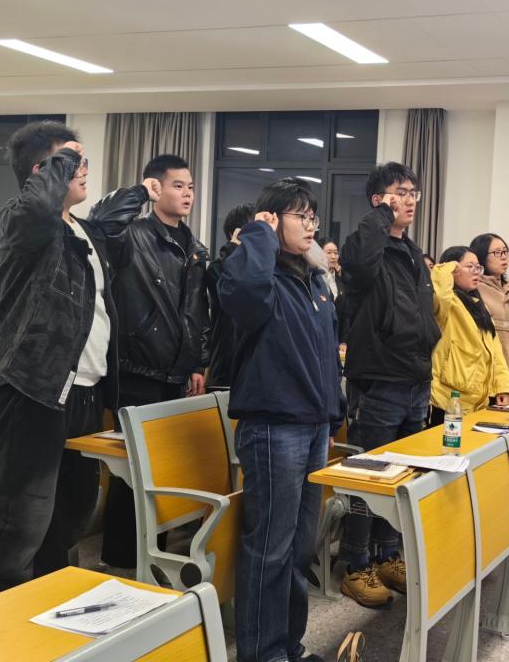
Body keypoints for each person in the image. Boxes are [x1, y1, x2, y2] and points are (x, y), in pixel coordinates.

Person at [0, 121, 148, 596]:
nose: (84, 169)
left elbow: (112, 220)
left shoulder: (81, 229)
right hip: (34, 387)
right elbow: (37, 206)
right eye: (73, 161)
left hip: (84, 389)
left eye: (83, 160)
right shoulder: (22, 220)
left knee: (70, 514)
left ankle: (44, 608)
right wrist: (62, 160)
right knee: (20, 521)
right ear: (43, 170)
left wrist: (141, 191)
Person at [219, 178, 344, 662]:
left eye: (313, 216)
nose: (311, 225)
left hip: (312, 425)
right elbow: (245, 300)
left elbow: (326, 355)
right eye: (300, 216)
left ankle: (289, 646)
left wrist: (332, 414)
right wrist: (257, 235)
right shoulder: (255, 271)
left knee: (299, 548)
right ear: (272, 220)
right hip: (274, 427)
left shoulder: (312, 278)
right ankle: (262, 654)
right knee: (270, 548)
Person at [91, 154, 211, 569]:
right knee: (133, 471)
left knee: (162, 468)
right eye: (177, 185)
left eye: (191, 186)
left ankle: (152, 554)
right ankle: (121, 558)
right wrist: (139, 193)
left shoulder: (194, 247)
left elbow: (196, 312)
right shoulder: (133, 235)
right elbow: (101, 221)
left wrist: (196, 363)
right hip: (137, 369)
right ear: (157, 188)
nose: (187, 194)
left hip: (176, 371)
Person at [338, 162, 441, 608]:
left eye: (414, 192)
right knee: (370, 476)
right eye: (401, 192)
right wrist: (382, 214)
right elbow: (359, 265)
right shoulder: (366, 247)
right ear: (378, 201)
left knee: (401, 476)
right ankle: (356, 563)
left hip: (414, 378)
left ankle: (387, 555)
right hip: (379, 380)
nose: (410, 199)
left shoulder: (412, 253)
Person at [429, 246, 509, 424]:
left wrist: (503, 387)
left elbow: (496, 351)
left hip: (477, 401)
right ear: (454, 269)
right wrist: (447, 267)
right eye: (469, 267)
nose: (476, 272)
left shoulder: (479, 306)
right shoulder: (447, 303)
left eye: (478, 267)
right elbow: (440, 292)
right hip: (447, 399)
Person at [206, 202, 255, 388]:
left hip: (255, 367)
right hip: (227, 365)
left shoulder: (265, 268)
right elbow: (231, 293)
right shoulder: (218, 267)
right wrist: (234, 249)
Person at [470, 233, 509, 374]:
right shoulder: (475, 289)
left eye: (506, 252)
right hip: (486, 372)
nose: (504, 257)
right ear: (481, 257)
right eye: (497, 253)